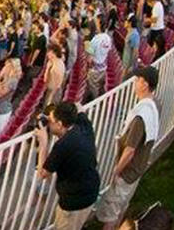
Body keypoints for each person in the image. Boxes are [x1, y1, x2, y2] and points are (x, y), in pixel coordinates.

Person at [96, 66, 160, 230]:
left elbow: (130, 150)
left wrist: (116, 171)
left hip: (127, 172)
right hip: (137, 170)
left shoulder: (141, 116)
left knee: (112, 212)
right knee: (122, 206)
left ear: (145, 85)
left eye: (137, 80)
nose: (134, 83)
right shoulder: (154, 105)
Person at [35, 102, 100, 230]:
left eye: (51, 121)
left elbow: (42, 173)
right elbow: (79, 107)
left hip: (75, 202)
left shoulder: (63, 145)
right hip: (90, 191)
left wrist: (43, 143)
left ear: (59, 125)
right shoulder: (83, 125)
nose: (49, 124)